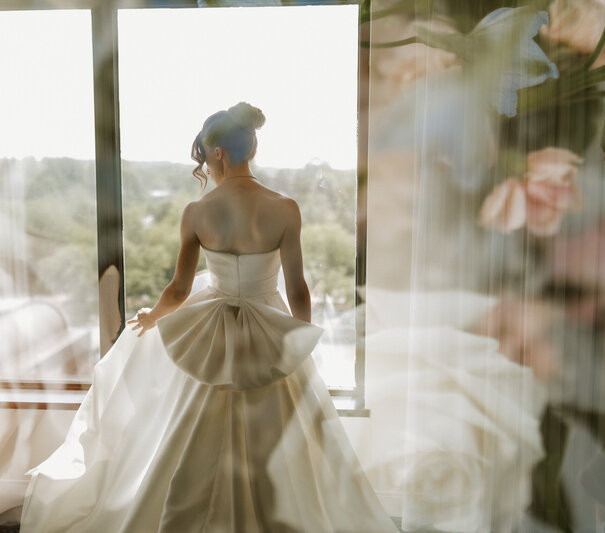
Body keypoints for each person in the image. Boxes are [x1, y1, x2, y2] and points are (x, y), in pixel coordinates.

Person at [20, 102, 396, 532]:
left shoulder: (197, 213)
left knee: (190, 428)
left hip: (211, 331)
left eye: (204, 154)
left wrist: (151, 316)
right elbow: (297, 289)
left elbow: (179, 290)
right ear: (251, 146)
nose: (205, 165)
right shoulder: (285, 207)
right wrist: (300, 339)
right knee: (289, 433)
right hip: (271, 329)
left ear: (217, 153)